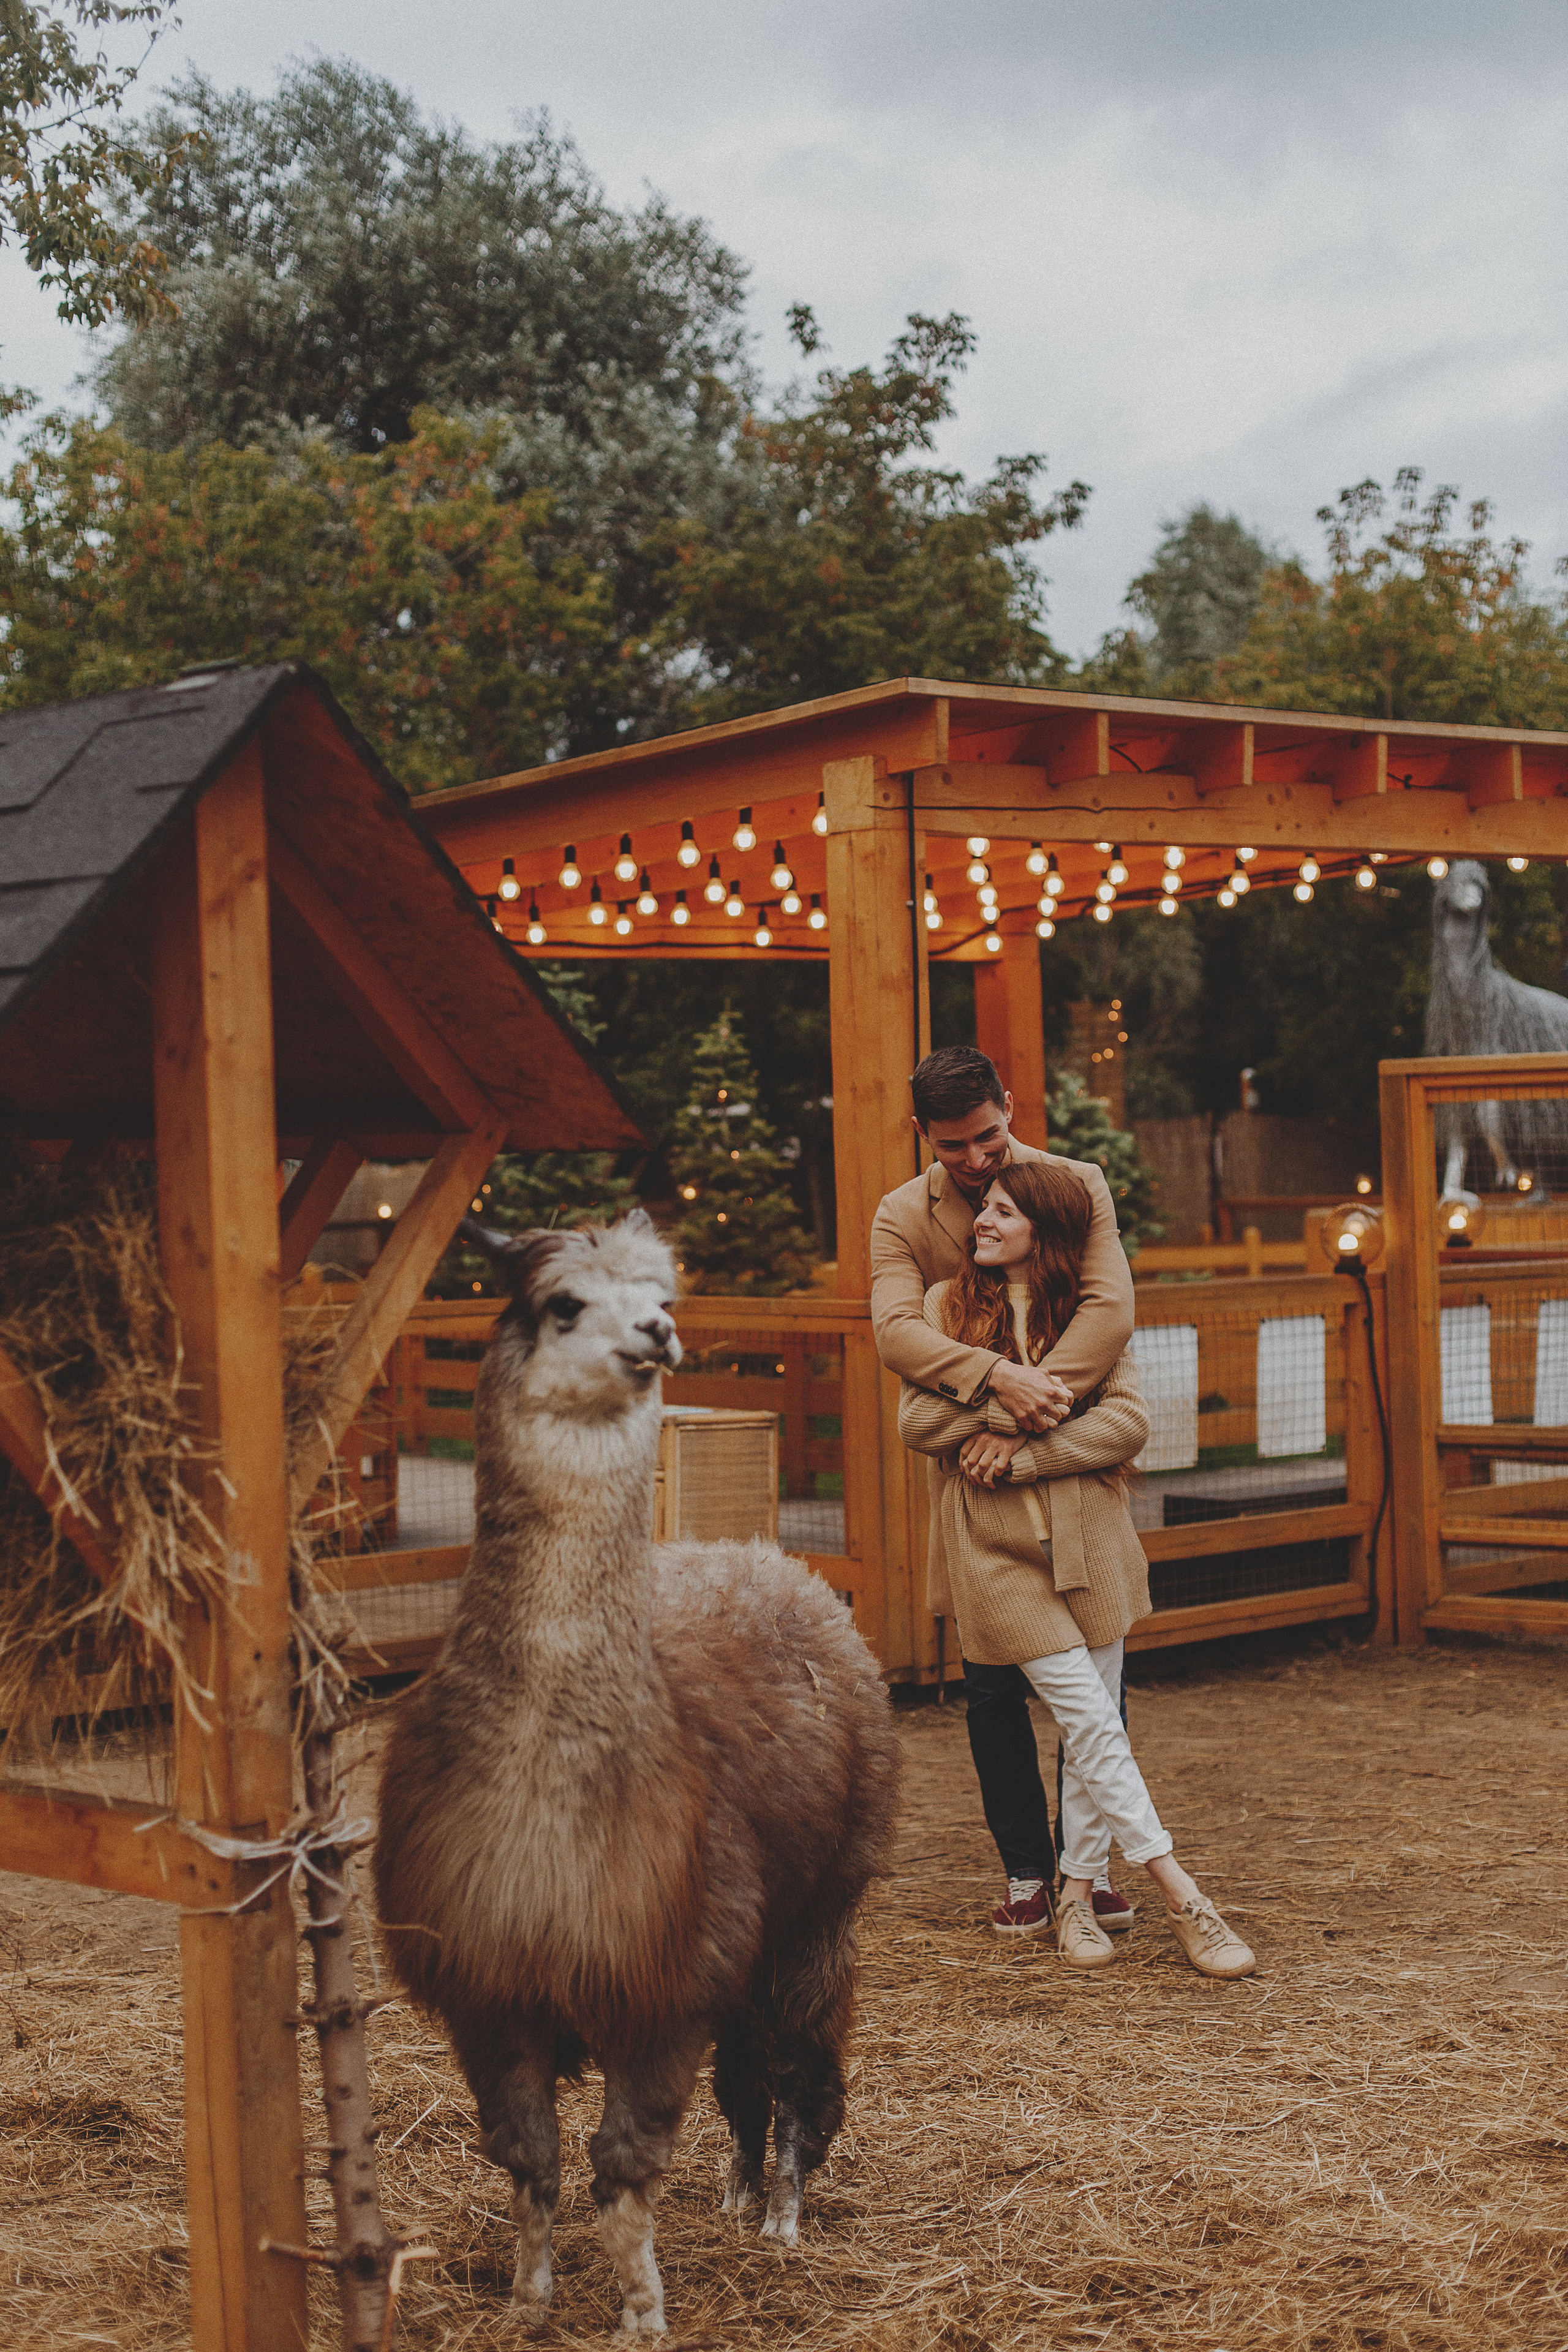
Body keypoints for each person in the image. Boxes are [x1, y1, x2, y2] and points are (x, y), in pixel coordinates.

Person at [897, 1159, 1256, 1978]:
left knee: (1097, 1725)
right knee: (1093, 1721)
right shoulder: (943, 1308)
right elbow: (917, 1418)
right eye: (983, 1208)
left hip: (1091, 1545)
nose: (981, 1221)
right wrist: (1006, 1399)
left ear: (1046, 1234)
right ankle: (1182, 1894)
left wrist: (1019, 1454)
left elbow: (1126, 1426)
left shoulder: (1093, 1318)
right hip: (995, 1554)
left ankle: (1075, 1896)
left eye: (1002, 1212)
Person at [870, 1046, 1134, 1939]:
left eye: (990, 1138)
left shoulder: (1074, 1184)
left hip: (1057, 1472)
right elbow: (898, 1333)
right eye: (955, 1150)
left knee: (1092, 1687)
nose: (979, 1162)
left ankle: (1085, 1872)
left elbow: (1108, 1312)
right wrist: (992, 1377)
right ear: (924, 1135)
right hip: (978, 1507)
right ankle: (1025, 1867)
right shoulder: (900, 1216)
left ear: (1007, 1107)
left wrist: (1021, 1413)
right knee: (992, 1690)